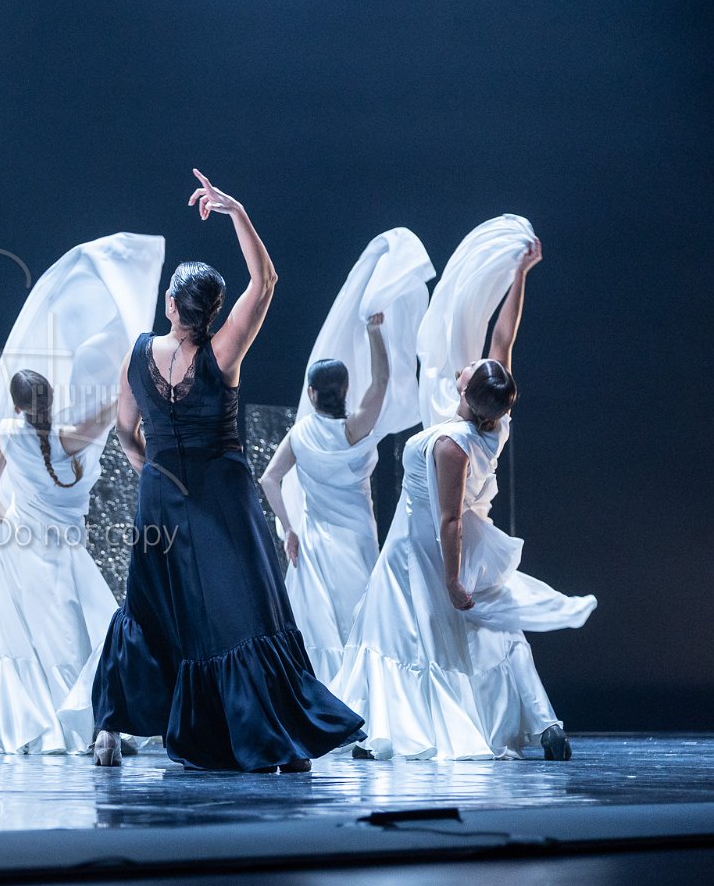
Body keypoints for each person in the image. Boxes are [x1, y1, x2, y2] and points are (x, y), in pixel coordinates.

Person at [91, 170, 364, 771]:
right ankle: (266, 733)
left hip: (162, 496)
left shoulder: (139, 353)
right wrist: (236, 211)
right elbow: (265, 281)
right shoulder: (224, 351)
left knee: (153, 608)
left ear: (171, 305)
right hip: (222, 497)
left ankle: (110, 727)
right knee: (242, 611)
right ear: (213, 311)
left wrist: (152, 472)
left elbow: (125, 429)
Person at [336, 236, 596, 760]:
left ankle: (401, 729)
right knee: (482, 635)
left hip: (427, 548)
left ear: (465, 392)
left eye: (472, 369)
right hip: (444, 541)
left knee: (413, 634)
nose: (471, 362)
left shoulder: (453, 442)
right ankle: (537, 721)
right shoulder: (495, 420)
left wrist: (452, 580)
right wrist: (519, 275)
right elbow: (504, 337)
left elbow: (449, 519)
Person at [0, 370, 123, 755]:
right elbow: (108, 416)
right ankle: (89, 723)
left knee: (23, 641)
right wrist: (126, 383)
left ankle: (32, 727)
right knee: (74, 636)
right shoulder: (68, 437)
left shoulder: (6, 432)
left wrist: (12, 526)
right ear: (51, 398)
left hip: (17, 550)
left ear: (17, 406)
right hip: (62, 552)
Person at [259, 314, 389, 685]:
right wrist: (374, 331)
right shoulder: (355, 429)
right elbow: (381, 380)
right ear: (346, 389)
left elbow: (269, 479)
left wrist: (289, 529)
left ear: (311, 393)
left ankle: (322, 699)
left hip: (314, 545)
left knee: (319, 630)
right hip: (358, 541)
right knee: (359, 622)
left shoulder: (300, 434)